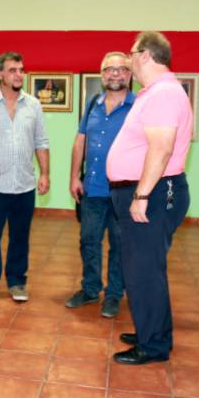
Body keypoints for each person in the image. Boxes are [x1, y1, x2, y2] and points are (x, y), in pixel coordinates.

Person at [106, 31, 192, 365]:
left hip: (152, 193)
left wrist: (141, 195)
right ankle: (152, 331)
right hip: (146, 190)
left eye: (131, 54)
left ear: (144, 55)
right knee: (144, 268)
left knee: (144, 271)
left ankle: (153, 345)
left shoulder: (164, 93)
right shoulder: (155, 92)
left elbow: (161, 148)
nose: (129, 60)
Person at [0, 51, 50, 304]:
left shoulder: (33, 106)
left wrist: (45, 173)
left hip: (24, 186)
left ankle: (16, 281)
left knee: (20, 237)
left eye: (21, 70)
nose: (19, 75)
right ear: (0, 74)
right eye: (13, 70)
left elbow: (41, 142)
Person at [66, 52, 135, 318]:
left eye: (121, 69)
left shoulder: (138, 106)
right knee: (88, 241)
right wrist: (74, 176)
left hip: (123, 191)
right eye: (109, 69)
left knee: (120, 245)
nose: (115, 73)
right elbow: (80, 140)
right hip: (92, 188)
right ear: (102, 74)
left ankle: (114, 295)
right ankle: (90, 289)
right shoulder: (92, 103)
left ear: (130, 74)